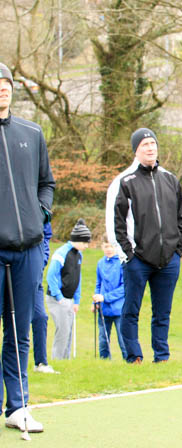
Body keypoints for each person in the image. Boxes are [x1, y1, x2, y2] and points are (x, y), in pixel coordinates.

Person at [0, 62, 54, 433]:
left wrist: (40, 212)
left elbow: (46, 182)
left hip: (28, 250)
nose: (2, 88)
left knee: (20, 332)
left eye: (6, 83)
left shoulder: (31, 132)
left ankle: (18, 406)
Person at [107, 127, 182, 364]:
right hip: (138, 260)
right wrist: (128, 255)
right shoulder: (124, 182)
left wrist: (178, 250)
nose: (150, 148)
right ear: (136, 150)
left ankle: (161, 356)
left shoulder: (170, 179)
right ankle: (134, 356)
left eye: (153, 143)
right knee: (131, 310)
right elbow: (115, 223)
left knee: (162, 312)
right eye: (145, 145)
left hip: (168, 259)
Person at [46, 219, 91, 360]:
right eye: (85, 242)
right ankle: (57, 360)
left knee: (68, 331)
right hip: (57, 299)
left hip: (69, 299)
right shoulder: (61, 252)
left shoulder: (79, 254)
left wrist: (76, 300)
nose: (87, 246)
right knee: (63, 331)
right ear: (77, 240)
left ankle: (66, 361)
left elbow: (78, 277)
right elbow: (51, 275)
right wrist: (59, 297)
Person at [93, 234, 127, 360]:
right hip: (103, 309)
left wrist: (105, 297)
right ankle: (104, 362)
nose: (109, 249)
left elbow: (124, 288)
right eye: (106, 246)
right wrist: (95, 302)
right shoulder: (100, 263)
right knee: (103, 339)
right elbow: (98, 284)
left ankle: (128, 361)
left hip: (119, 308)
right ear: (102, 247)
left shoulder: (122, 263)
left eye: (111, 246)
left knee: (122, 339)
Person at [32, 222, 58, 374]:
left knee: (40, 317)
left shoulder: (41, 211)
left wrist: (40, 261)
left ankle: (40, 363)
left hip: (33, 274)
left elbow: (46, 235)